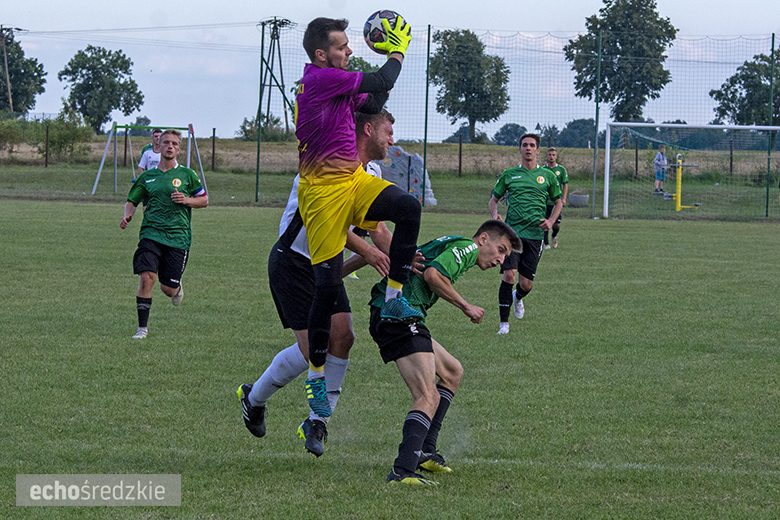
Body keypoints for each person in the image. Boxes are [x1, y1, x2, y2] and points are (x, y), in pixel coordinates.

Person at [238, 110, 408, 458]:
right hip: (294, 262)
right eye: (388, 132)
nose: (393, 140)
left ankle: (317, 423)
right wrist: (369, 252)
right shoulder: (327, 163)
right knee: (310, 350)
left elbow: (379, 230)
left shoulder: (373, 172)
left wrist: (409, 258)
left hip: (324, 265)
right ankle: (253, 398)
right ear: (367, 129)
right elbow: (328, 221)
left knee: (343, 337)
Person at [295, 17, 422, 421]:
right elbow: (381, 78)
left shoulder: (337, 85)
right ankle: (316, 378)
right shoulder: (320, 79)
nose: (350, 51)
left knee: (408, 208)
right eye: (342, 47)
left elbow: (375, 97)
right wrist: (398, 49)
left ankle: (394, 299)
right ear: (321, 55)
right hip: (322, 194)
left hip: (352, 180)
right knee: (327, 289)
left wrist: (387, 76)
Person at [368, 220, 520, 485]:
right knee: (428, 396)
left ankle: (425, 451)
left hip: (399, 313)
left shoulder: (454, 244)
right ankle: (403, 470)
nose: (501, 260)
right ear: (483, 238)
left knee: (452, 372)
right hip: (396, 315)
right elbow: (432, 276)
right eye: (501, 250)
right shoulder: (468, 248)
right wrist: (466, 306)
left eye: (505, 256)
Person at [120, 129, 208, 339]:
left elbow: (204, 200)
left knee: (167, 289)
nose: (170, 146)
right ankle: (142, 329)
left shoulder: (187, 175)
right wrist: (128, 214)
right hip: (151, 233)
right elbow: (132, 200)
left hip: (178, 237)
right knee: (146, 277)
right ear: (158, 146)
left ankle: (176, 287)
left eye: (174, 143)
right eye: (166, 142)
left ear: (179, 149)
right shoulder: (147, 177)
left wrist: (186, 200)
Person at [489, 134, 562, 335]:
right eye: (524, 145)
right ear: (520, 149)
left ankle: (518, 297)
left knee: (526, 284)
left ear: (538, 150)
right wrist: (495, 215)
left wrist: (551, 221)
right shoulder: (509, 175)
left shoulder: (548, 176)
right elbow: (493, 200)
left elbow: (558, 203)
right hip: (512, 235)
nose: (528, 148)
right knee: (509, 274)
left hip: (535, 236)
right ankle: (504, 324)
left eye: (531, 145)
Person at [542, 147, 568, 250]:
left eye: (553, 155)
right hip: (544, 201)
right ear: (546, 156)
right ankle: (546, 244)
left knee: (556, 225)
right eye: (549, 155)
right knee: (544, 222)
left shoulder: (561, 170)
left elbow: (565, 184)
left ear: (556, 156)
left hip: (556, 201)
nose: (551, 157)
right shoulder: (543, 170)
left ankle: (553, 235)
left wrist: (564, 198)